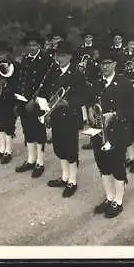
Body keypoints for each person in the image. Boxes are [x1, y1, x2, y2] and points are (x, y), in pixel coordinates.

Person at [88, 50, 134, 218]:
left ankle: (118, 200)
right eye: (102, 64)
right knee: (103, 165)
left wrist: (115, 114)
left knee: (117, 165)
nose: (105, 67)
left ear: (115, 64)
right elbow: (91, 101)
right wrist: (90, 110)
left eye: (108, 63)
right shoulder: (97, 83)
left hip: (117, 131)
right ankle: (109, 197)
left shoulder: (125, 83)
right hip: (99, 131)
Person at [41, 41, 88, 198]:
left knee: (70, 149)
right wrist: (47, 111)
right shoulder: (53, 72)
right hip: (56, 116)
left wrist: (67, 102)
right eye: (57, 55)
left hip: (70, 116)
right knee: (59, 147)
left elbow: (84, 96)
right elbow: (48, 92)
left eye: (62, 55)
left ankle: (72, 181)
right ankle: (64, 177)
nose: (59, 58)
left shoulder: (76, 74)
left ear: (69, 56)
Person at [13, 31, 52, 178]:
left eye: (35, 45)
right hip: (24, 101)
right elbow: (20, 82)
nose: (32, 47)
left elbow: (46, 84)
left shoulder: (46, 60)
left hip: (39, 101)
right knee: (27, 131)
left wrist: (34, 100)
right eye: (29, 45)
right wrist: (18, 102)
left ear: (40, 46)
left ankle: (40, 163)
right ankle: (31, 160)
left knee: (39, 131)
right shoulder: (24, 60)